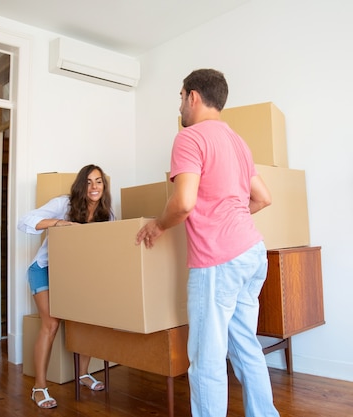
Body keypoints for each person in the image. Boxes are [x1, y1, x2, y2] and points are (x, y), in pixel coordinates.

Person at [135, 69, 280, 417]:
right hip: (252, 253)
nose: (181, 105)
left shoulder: (189, 138)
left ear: (194, 96)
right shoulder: (237, 141)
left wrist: (158, 224)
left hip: (218, 262)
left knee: (207, 358)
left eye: (181, 97)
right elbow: (263, 198)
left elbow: (183, 203)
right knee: (246, 346)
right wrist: (229, 217)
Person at [18, 164, 113, 409]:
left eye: (99, 181)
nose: (94, 187)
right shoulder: (64, 204)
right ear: (81, 185)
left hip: (75, 273)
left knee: (85, 321)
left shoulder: (107, 214)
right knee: (51, 324)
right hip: (45, 269)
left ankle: (82, 374)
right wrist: (59, 224)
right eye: (89, 182)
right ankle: (39, 388)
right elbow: (25, 221)